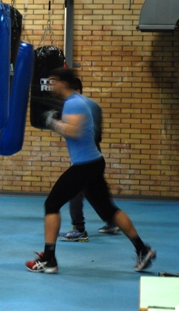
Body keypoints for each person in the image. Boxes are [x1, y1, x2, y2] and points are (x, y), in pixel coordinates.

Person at [25, 67, 155, 274]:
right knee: (109, 210)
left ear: (63, 83)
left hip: (85, 165)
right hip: (93, 161)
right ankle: (142, 249)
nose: (50, 86)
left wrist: (53, 122)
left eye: (53, 81)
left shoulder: (74, 103)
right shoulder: (82, 101)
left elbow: (74, 131)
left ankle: (49, 259)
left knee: (51, 204)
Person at [58, 77, 119, 242]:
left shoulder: (80, 106)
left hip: (85, 155)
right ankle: (112, 220)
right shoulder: (93, 105)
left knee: (75, 190)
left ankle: (79, 229)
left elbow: (80, 131)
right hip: (94, 153)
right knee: (94, 191)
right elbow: (97, 133)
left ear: (75, 90)